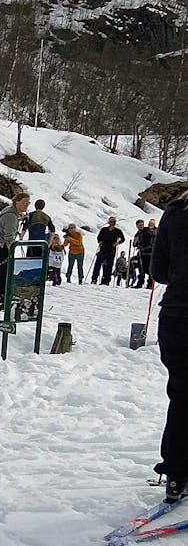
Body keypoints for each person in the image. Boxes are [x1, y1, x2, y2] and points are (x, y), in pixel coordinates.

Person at [148, 189, 188, 503]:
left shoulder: (175, 211)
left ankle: (176, 473)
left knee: (182, 394)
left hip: (175, 316)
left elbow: (158, 271)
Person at [0, 193, 30, 308]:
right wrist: (11, 253)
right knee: (6, 275)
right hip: (1, 248)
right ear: (17, 202)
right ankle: (3, 301)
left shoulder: (9, 210)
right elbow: (9, 238)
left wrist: (20, 217)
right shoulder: (11, 217)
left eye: (28, 203)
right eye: (24, 202)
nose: (26, 205)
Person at [91, 217, 125, 285]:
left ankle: (106, 281)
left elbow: (123, 239)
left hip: (111, 250)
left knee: (108, 266)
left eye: (113, 222)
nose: (112, 223)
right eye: (111, 221)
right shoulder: (104, 229)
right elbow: (99, 237)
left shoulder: (118, 231)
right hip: (103, 249)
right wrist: (100, 241)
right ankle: (94, 279)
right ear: (109, 222)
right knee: (97, 265)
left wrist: (117, 243)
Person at [133, 218, 155, 289]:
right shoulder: (137, 234)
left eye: (142, 225)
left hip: (149, 253)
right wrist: (135, 243)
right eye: (139, 225)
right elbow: (135, 244)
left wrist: (142, 247)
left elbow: (151, 242)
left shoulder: (148, 231)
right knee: (141, 269)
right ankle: (140, 283)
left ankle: (150, 284)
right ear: (137, 226)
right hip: (142, 254)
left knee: (149, 269)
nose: (141, 226)